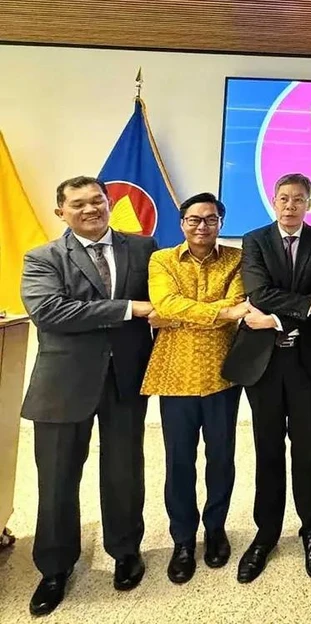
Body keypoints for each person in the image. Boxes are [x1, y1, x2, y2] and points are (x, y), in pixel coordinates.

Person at [20, 176, 157, 616]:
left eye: (97, 200)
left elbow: (168, 300)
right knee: (57, 479)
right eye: (78, 204)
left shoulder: (144, 249)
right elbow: (50, 311)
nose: (90, 209)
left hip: (126, 379)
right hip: (63, 384)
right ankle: (55, 567)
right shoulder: (42, 258)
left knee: (124, 471)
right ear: (61, 212)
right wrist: (127, 309)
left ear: (110, 201)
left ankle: (125, 551)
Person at [222, 173, 311, 583]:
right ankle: (266, 532)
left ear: (309, 203)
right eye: (284, 198)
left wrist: (274, 316)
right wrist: (285, 314)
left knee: (307, 446)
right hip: (264, 363)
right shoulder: (254, 240)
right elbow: (258, 292)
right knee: (267, 446)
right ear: (273, 201)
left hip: (309, 360)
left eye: (299, 199)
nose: (291, 205)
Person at [141, 193, 248, 584]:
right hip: (176, 374)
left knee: (221, 459)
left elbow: (239, 303)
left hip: (223, 374)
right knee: (179, 462)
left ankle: (215, 528)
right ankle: (183, 539)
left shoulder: (237, 259)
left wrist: (181, 314)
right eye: (193, 220)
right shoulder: (161, 260)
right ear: (182, 223)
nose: (201, 227)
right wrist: (217, 313)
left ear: (221, 221)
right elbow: (164, 303)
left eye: (210, 219)